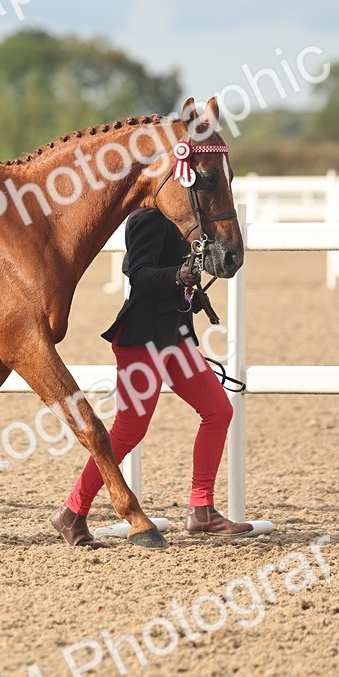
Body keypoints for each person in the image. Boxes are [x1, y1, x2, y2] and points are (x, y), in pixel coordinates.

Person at [50, 208, 252, 548]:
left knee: (219, 410)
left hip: (176, 333)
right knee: (129, 430)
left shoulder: (187, 221)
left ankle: (201, 508)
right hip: (142, 338)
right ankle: (72, 511)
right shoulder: (146, 219)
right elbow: (140, 276)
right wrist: (180, 274)